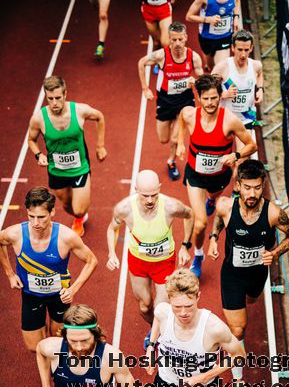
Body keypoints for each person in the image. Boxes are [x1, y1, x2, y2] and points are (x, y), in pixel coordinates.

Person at [207, 159, 289, 387]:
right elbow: (218, 220)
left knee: (252, 300)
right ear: (238, 186)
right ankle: (239, 383)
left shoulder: (273, 213)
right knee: (238, 329)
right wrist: (214, 238)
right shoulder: (226, 206)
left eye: (257, 187)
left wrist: (275, 253)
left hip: (257, 275)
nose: (252, 193)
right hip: (232, 276)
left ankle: (247, 302)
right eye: (247, 187)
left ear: (263, 185)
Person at [176, 74, 256, 278]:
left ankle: (211, 200)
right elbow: (182, 120)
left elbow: (251, 145)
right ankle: (199, 255)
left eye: (214, 98)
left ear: (220, 97)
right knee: (201, 222)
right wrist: (179, 143)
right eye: (206, 98)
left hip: (220, 176)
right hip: (195, 175)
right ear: (199, 98)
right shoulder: (190, 115)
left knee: (213, 197)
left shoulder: (230, 121)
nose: (210, 103)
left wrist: (235, 155)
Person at [0, 187, 98, 352]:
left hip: (59, 297)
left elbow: (91, 260)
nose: (36, 223)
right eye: (31, 217)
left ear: (52, 212)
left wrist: (73, 289)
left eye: (41, 217)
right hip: (31, 296)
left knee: (59, 344)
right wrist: (9, 273)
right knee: (33, 347)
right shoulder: (16, 234)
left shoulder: (66, 237)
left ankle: (55, 374)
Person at [106, 169, 194, 348]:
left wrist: (185, 246)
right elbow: (111, 229)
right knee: (145, 306)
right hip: (138, 262)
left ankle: (159, 336)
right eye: (145, 195)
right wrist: (111, 252)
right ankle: (154, 328)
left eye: (154, 195)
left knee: (161, 308)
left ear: (160, 189)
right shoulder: (124, 209)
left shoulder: (171, 206)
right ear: (136, 189)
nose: (149, 201)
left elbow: (189, 215)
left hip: (164, 263)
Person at [28, 76, 107, 237]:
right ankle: (77, 216)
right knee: (65, 205)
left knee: (78, 209)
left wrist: (100, 146)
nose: (54, 103)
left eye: (58, 98)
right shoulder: (39, 118)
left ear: (65, 94)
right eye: (50, 99)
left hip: (80, 167)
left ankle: (79, 218)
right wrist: (38, 154)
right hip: (57, 170)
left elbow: (99, 117)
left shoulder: (79, 110)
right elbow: (31, 140)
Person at [138, 22, 203, 181]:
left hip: (185, 101)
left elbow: (201, 76)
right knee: (163, 139)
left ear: (186, 38)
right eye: (174, 40)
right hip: (165, 101)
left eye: (180, 39)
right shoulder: (161, 55)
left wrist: (198, 82)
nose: (177, 44)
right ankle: (174, 136)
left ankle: (171, 161)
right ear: (169, 39)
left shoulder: (193, 57)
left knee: (175, 139)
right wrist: (145, 88)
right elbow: (141, 63)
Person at [212, 29, 264, 139]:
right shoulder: (222, 67)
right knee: (222, 153)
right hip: (225, 117)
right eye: (239, 50)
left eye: (246, 50)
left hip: (246, 117)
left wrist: (260, 89)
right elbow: (207, 92)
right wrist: (224, 95)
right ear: (232, 48)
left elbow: (260, 74)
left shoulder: (256, 65)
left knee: (244, 153)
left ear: (251, 48)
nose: (243, 55)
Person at [186, 0, 240, 71]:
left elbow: (237, 1)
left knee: (221, 69)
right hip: (207, 38)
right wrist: (207, 20)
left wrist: (236, 17)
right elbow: (189, 16)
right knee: (210, 67)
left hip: (225, 37)